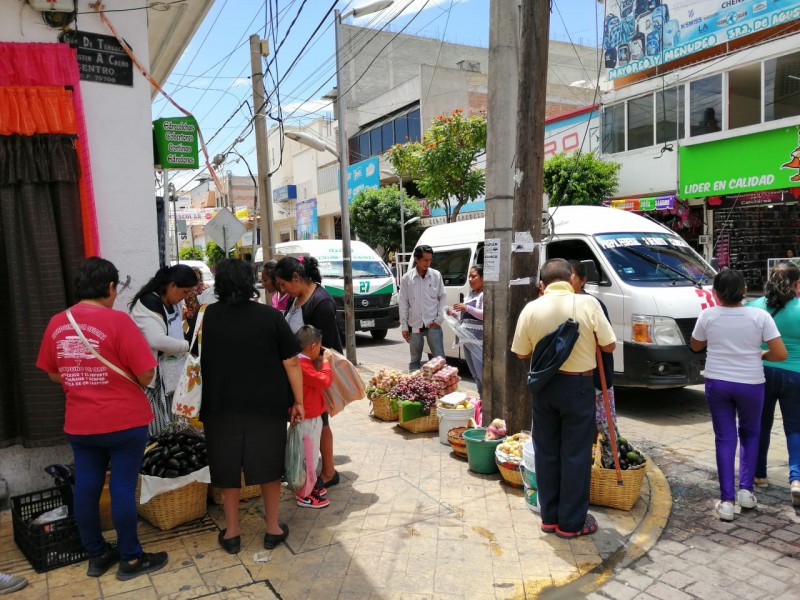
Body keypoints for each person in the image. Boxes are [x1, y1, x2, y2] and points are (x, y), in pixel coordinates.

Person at [36, 257, 168, 581]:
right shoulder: (119, 322)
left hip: (81, 423)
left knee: (86, 487)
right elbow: (146, 372)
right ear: (110, 287)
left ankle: (96, 556)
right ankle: (131, 560)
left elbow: (54, 374)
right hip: (125, 420)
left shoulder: (57, 323)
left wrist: (81, 378)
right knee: (122, 487)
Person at [199, 259, 304, 553]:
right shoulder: (269, 316)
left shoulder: (207, 317)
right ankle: (272, 529)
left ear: (219, 285)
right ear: (250, 283)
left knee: (226, 469)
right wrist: (298, 400)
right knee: (269, 467)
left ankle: (232, 533)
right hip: (267, 407)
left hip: (219, 407)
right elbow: (292, 360)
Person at [511, 258, 616, 539]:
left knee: (546, 453)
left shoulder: (531, 309)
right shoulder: (588, 304)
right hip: (578, 388)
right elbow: (609, 345)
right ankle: (570, 524)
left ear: (542, 285)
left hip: (544, 389)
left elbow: (521, 353)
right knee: (576, 455)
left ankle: (549, 518)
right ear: (572, 279)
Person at [691, 269, 787, 521]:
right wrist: (762, 354)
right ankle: (746, 490)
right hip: (751, 383)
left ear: (715, 293)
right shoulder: (760, 316)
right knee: (750, 434)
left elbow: (695, 345)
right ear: (745, 289)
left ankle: (726, 502)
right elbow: (780, 354)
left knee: (724, 438)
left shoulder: (707, 315)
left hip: (718, 382)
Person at [275, 255, 342, 488]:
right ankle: (311, 468)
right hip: (300, 375)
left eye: (284, 284)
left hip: (311, 376)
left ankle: (328, 472)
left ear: (296, 277)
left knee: (321, 421)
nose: (282, 290)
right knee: (311, 423)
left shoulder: (321, 302)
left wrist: (316, 375)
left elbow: (326, 347)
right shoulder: (296, 299)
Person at [748, 264, 800, 501]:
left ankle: (759, 474)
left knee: (761, 424)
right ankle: (796, 479)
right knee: (795, 428)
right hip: (795, 375)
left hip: (762, 371)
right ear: (796, 284)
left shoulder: (754, 307)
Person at [129, 264, 196, 435]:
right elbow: (157, 340)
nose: (186, 297)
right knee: (154, 420)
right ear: (172, 286)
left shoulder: (172, 303)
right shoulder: (149, 302)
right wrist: (188, 346)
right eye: (185, 292)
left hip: (169, 371)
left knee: (173, 417)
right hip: (151, 373)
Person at [569, 261, 616, 435]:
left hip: (593, 374)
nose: (566, 281)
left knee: (599, 426)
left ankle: (600, 457)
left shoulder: (593, 304)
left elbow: (608, 345)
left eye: (571, 276)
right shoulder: (555, 303)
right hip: (569, 379)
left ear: (583, 280)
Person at [294, 325, 333, 509]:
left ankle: (309, 487)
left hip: (312, 416)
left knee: (310, 456)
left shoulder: (302, 362)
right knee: (308, 458)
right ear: (312, 347)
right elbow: (325, 381)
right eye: (319, 347)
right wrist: (325, 362)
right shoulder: (301, 365)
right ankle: (305, 494)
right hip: (308, 418)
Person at [399, 245, 447, 372]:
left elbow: (442, 297)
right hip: (415, 325)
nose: (428, 263)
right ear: (416, 259)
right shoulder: (407, 279)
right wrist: (404, 326)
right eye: (425, 260)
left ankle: (442, 386)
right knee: (415, 361)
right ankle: (414, 387)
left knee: (440, 360)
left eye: (430, 260)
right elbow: (403, 302)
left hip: (433, 324)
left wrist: (439, 319)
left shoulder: (436, 275)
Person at [446, 265, 484, 396]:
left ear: (483, 278)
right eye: (469, 277)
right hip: (467, 339)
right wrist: (453, 314)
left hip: (478, 340)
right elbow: (466, 318)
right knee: (474, 373)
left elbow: (484, 314)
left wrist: (467, 308)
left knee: (481, 373)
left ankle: (486, 399)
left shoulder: (485, 294)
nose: (470, 279)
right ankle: (481, 399)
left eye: (474, 276)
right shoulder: (470, 294)